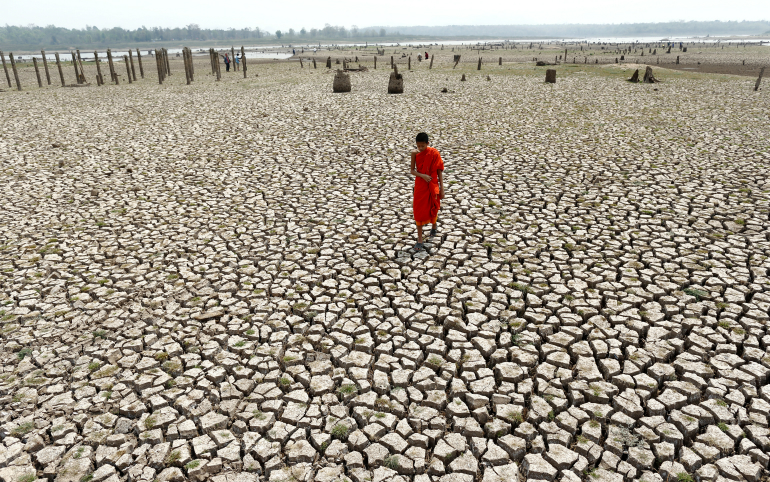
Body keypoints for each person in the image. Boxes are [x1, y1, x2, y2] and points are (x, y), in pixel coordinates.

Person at [410, 133, 445, 251]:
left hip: (433, 184)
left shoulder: (434, 153)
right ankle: (420, 239)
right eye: (418, 146)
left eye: (422, 146)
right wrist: (423, 176)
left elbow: (439, 171)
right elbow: (412, 171)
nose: (420, 148)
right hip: (420, 185)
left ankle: (434, 226)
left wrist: (442, 189)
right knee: (418, 210)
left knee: (433, 205)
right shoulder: (414, 153)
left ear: (427, 144)